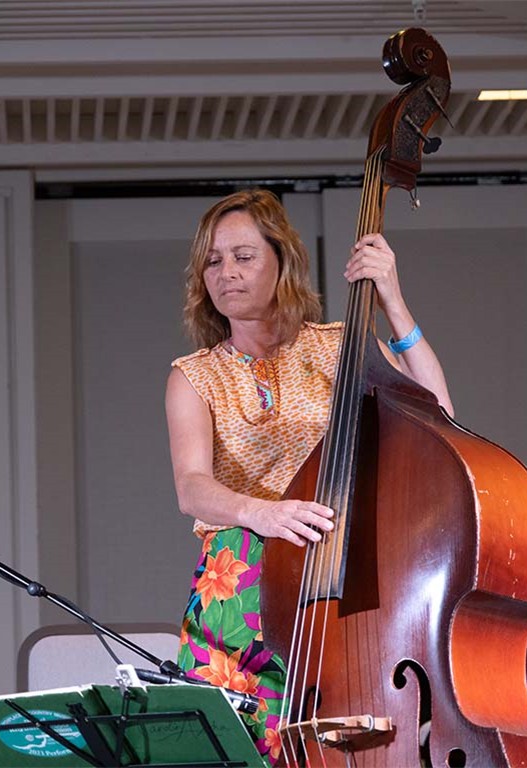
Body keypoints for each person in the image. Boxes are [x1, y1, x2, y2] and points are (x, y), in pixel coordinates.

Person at [164, 188, 453, 764]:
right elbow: (191, 487)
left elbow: (439, 417)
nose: (226, 272)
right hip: (239, 590)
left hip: (342, 582)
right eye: (213, 261)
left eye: (244, 256)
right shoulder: (193, 376)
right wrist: (261, 513)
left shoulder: (340, 347)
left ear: (282, 261)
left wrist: (393, 301)